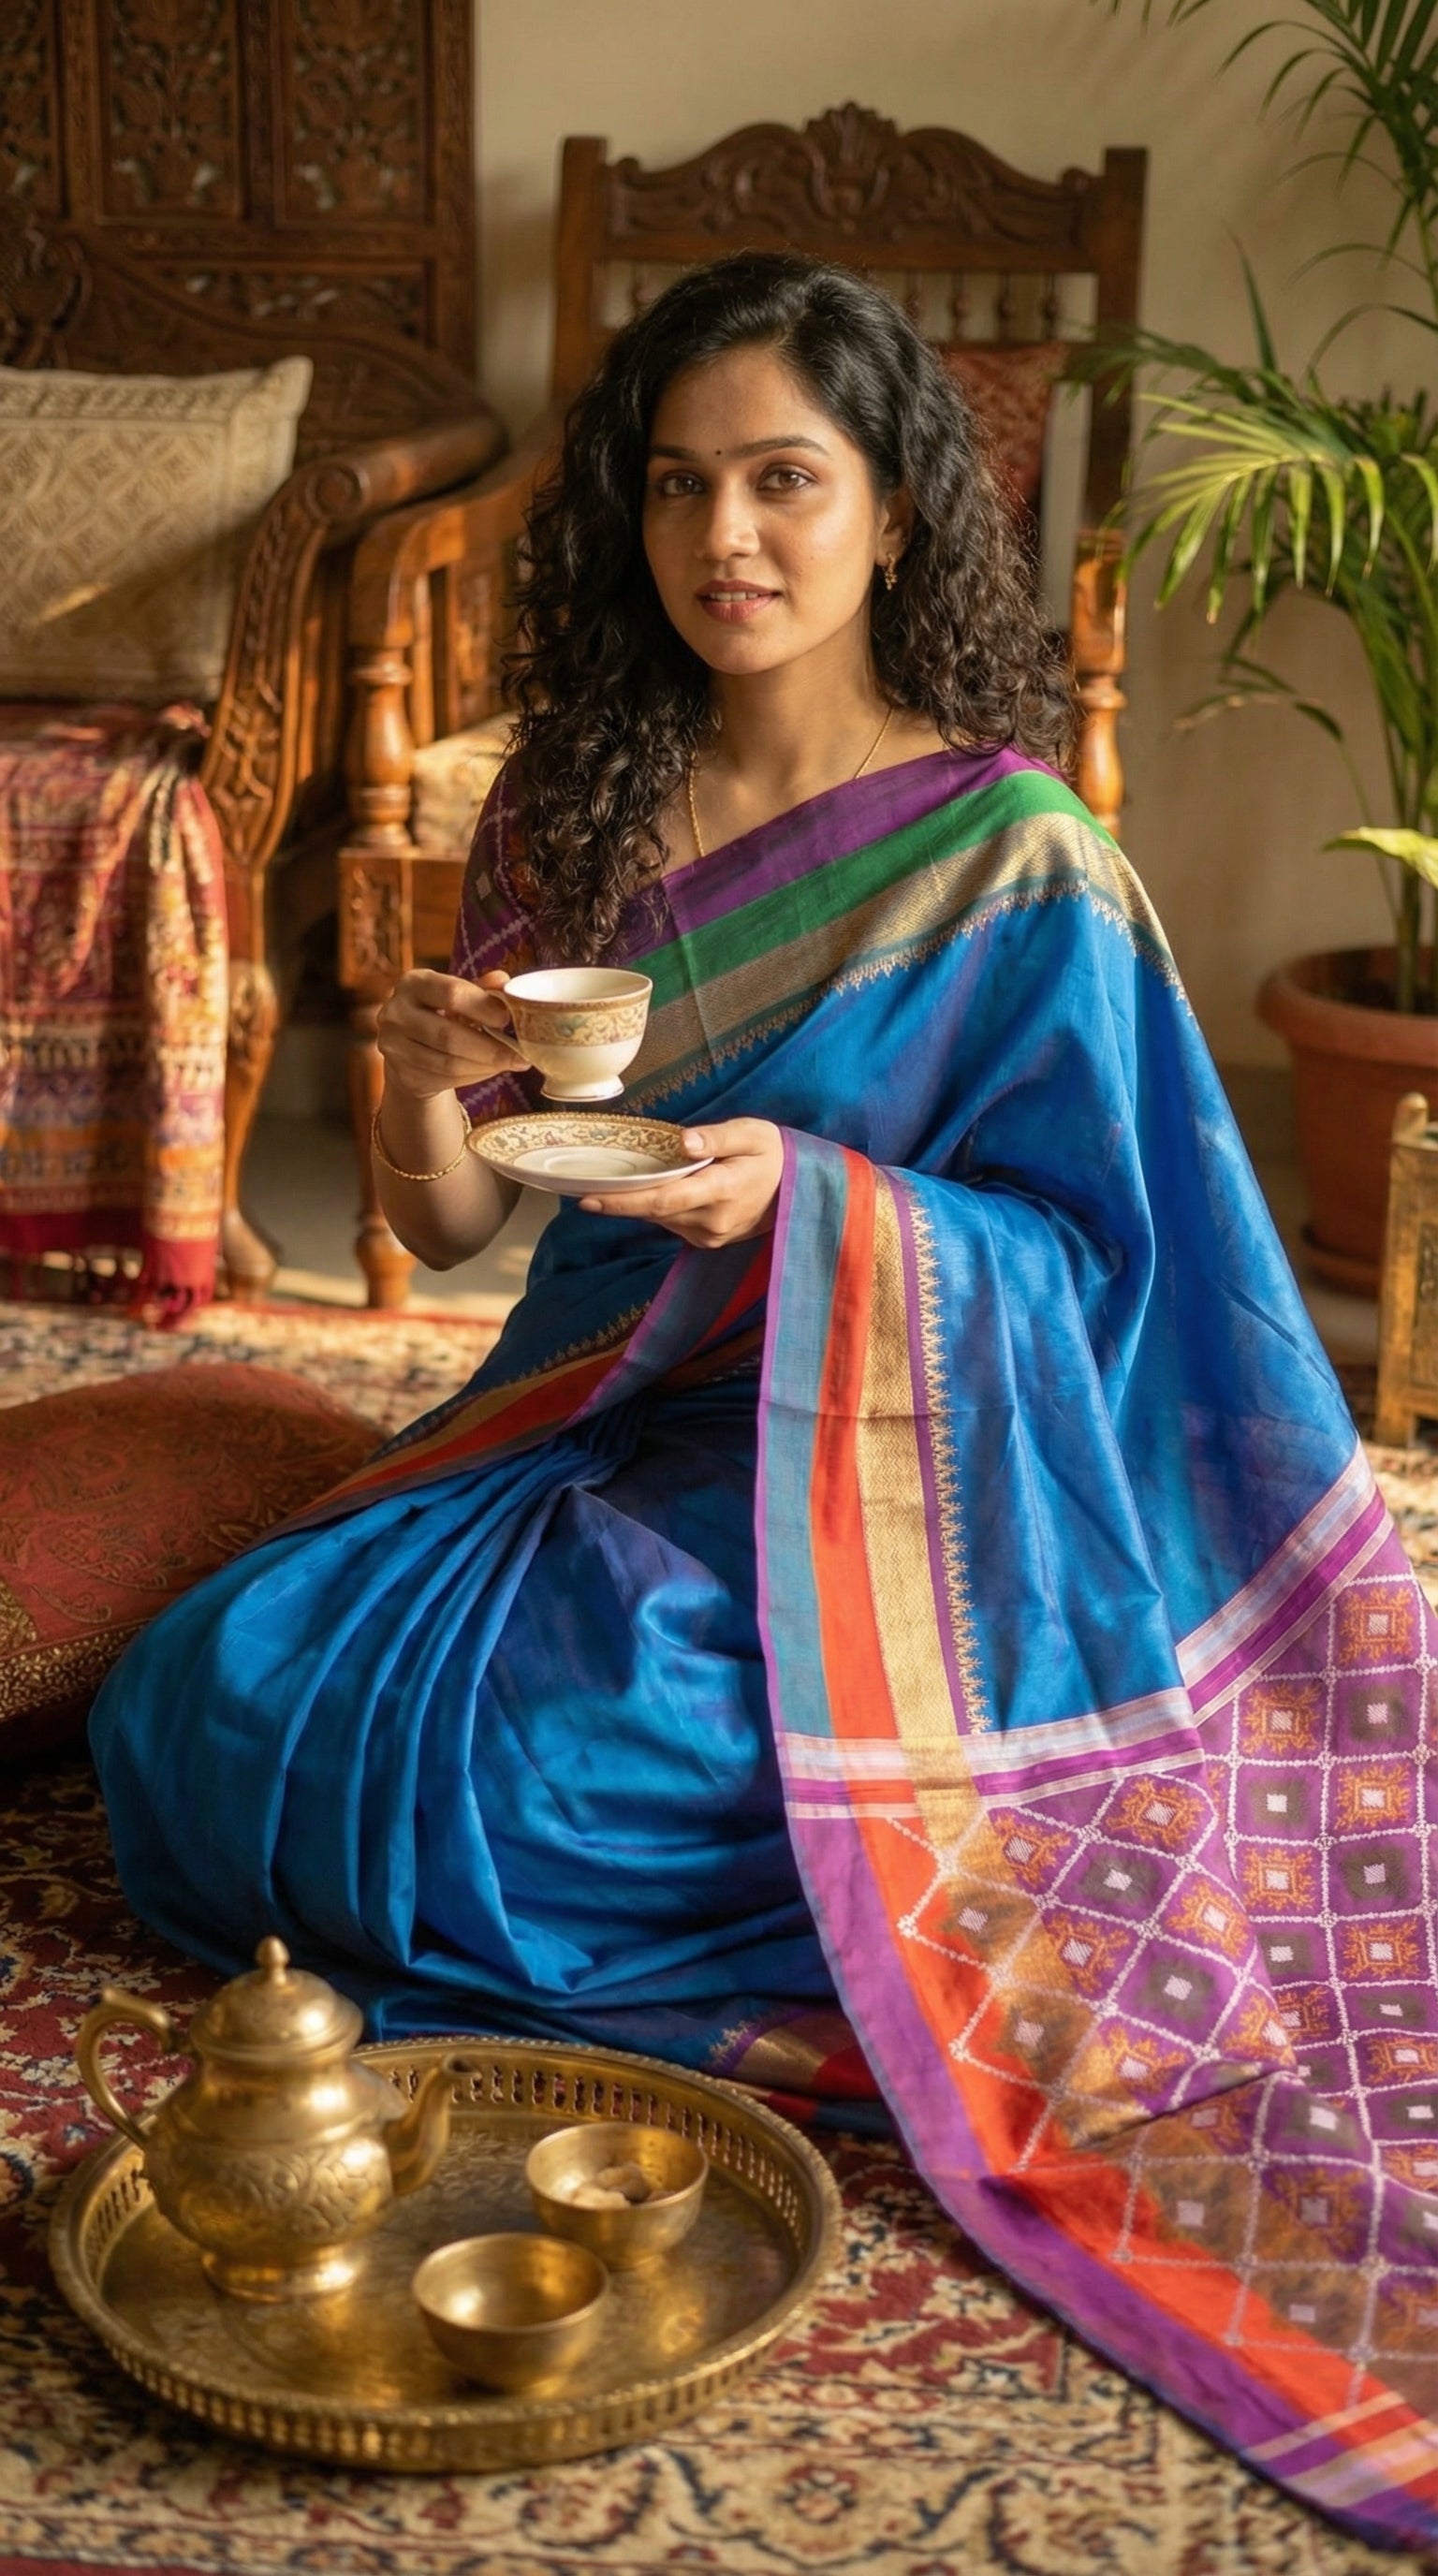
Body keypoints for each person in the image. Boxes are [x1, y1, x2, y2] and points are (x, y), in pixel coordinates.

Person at [91, 256, 1438, 2548]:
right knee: (202, 1697)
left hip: (908, 1483)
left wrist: (816, 1200)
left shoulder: (1020, 859)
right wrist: (418, 1090)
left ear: (899, 511)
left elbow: (1122, 1286)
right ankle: (762, 1885)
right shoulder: (569, 821)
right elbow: (485, 1229)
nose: (732, 536)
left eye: (789, 481)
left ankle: (829, 1900)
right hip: (591, 1426)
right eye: (683, 484)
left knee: (564, 1748)